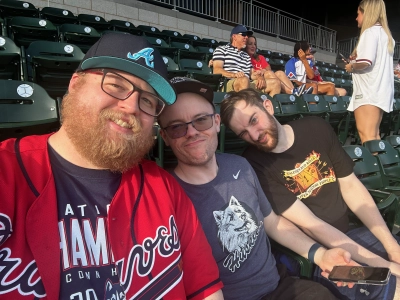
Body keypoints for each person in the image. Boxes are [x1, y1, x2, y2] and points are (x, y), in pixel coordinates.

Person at [0, 33, 224, 300]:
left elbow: (206, 289)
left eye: (147, 100)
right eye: (117, 85)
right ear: (75, 83)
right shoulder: (8, 172)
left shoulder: (163, 185)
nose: (131, 107)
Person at [157, 77, 369, 300]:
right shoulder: (165, 194)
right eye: (177, 127)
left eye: (201, 120)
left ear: (217, 122)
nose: (191, 132)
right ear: (165, 136)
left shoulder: (240, 165)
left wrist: (321, 255)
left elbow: (273, 223)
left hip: (280, 286)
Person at [220, 88, 400, 298]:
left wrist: (391, 247)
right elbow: (311, 225)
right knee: (391, 286)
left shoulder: (316, 128)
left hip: (353, 234)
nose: (254, 135)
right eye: (243, 133)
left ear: (267, 106)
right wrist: (386, 266)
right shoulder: (256, 164)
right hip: (323, 259)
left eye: (253, 120)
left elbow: (351, 187)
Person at [344, 0, 394, 144]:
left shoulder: (370, 32)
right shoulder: (386, 35)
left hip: (369, 91)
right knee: (373, 135)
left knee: (368, 137)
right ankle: (380, 166)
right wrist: (356, 60)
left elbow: (367, 62)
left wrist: (351, 66)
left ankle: (374, 166)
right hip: (379, 91)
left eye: (358, 14)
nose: (356, 18)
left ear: (367, 14)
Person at [212, 25, 281, 96]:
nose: (246, 37)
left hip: (247, 83)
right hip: (228, 83)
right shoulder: (221, 50)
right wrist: (234, 75)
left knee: (276, 83)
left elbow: (252, 73)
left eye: (247, 35)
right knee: (244, 80)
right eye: (243, 35)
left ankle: (267, 106)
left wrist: (260, 77)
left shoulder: (246, 56)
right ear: (234, 36)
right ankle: (245, 106)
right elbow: (217, 70)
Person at [245, 35, 313, 97]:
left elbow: (268, 67)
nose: (253, 46)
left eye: (255, 44)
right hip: (256, 81)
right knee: (269, 73)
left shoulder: (260, 57)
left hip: (266, 79)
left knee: (279, 73)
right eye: (250, 44)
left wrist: (264, 70)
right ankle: (293, 92)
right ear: (245, 45)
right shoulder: (244, 58)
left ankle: (294, 92)